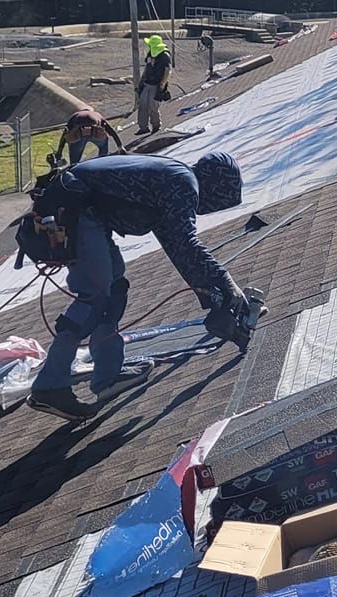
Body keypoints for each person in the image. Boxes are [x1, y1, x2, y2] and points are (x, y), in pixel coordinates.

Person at [26, 150, 250, 421]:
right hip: (76, 212)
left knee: (115, 288)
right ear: (215, 188)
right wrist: (227, 282)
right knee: (95, 296)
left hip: (83, 211)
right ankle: (50, 385)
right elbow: (186, 242)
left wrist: (211, 296)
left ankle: (108, 375)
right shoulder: (184, 184)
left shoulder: (174, 180)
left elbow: (177, 248)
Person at [57, 108, 124, 168]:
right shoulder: (97, 114)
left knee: (74, 163)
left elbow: (65, 135)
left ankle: (74, 168)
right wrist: (120, 147)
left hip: (79, 134)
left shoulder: (75, 115)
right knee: (104, 143)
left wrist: (59, 153)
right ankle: (102, 162)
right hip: (96, 132)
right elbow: (111, 131)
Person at [136, 35, 172, 134]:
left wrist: (162, 85)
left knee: (153, 107)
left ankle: (156, 125)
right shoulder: (150, 54)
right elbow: (147, 68)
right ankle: (143, 127)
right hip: (147, 83)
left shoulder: (165, 55)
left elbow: (168, 71)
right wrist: (141, 81)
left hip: (157, 84)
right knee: (143, 105)